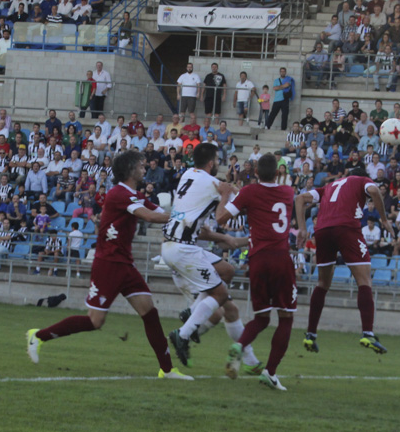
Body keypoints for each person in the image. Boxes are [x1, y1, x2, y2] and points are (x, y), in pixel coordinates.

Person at [26, 150, 192, 381]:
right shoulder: (118, 194)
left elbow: (160, 212)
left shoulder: (134, 194)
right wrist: (183, 220)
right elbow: (151, 217)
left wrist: (185, 215)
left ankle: (166, 370)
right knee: (95, 321)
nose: (144, 168)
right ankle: (39, 335)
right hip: (108, 263)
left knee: (149, 312)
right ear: (129, 169)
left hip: (125, 263)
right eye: (140, 166)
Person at [213, 153, 297, 390]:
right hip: (281, 259)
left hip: (257, 260)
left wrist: (227, 195)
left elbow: (221, 218)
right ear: (278, 173)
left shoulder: (249, 192)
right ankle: (270, 372)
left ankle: (240, 345)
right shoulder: (288, 193)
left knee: (261, 317)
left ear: (257, 172)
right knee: (286, 317)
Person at [294, 168, 394, 354]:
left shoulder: (329, 186)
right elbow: (374, 191)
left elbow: (299, 199)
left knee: (323, 283)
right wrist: (383, 218)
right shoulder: (362, 180)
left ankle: (310, 334)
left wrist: (301, 228)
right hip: (346, 228)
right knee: (364, 280)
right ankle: (368, 333)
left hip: (322, 231)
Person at [163, 143, 240, 367]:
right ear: (211, 162)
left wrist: (227, 190)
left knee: (227, 271)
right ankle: (183, 334)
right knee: (221, 295)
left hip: (175, 245)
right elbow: (222, 216)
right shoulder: (211, 182)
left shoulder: (188, 173)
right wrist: (227, 194)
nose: (217, 164)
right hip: (183, 248)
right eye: (216, 160)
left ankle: (192, 312)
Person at [266, 67, 293, 131]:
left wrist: (279, 87)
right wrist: (283, 86)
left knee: (284, 115)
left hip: (285, 100)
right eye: (281, 71)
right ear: (280, 72)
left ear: (285, 72)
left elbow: (288, 85)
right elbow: (275, 88)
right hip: (277, 100)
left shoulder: (288, 79)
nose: (282, 72)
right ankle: (267, 126)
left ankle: (283, 128)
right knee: (273, 114)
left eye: (284, 71)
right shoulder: (276, 80)